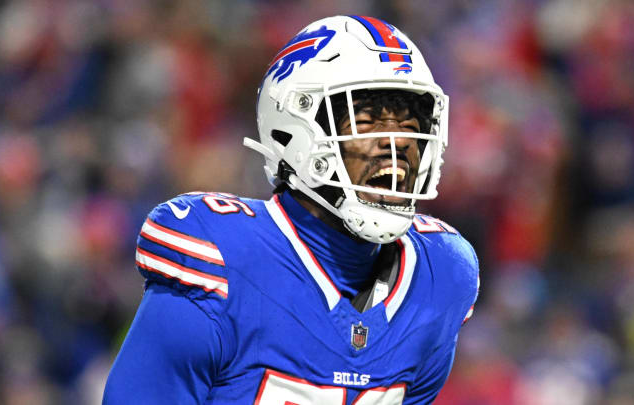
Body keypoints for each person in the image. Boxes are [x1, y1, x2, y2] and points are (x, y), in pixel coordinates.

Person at [103, 15, 479, 404]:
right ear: (295, 132)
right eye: (366, 119)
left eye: (408, 121)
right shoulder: (224, 260)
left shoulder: (441, 275)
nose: (396, 142)